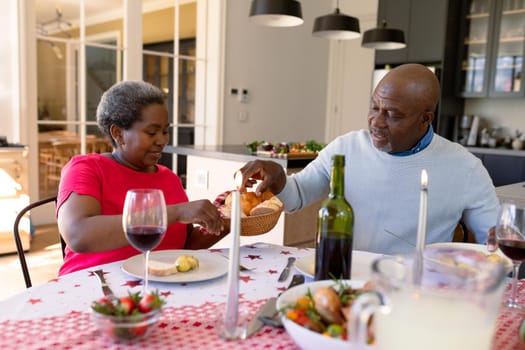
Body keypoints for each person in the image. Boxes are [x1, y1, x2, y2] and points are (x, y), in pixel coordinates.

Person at [239, 64, 500, 255]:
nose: (376, 121)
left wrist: (494, 247)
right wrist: (278, 178)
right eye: (375, 107)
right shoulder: (346, 148)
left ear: (425, 119)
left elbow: (495, 241)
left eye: (392, 115)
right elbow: (296, 197)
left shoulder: (465, 167)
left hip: (414, 291)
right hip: (343, 278)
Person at [57, 80, 227, 275]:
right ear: (118, 134)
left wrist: (229, 221)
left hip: (155, 288)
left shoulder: (169, 179)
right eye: (152, 132)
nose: (162, 141)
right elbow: (79, 235)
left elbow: (184, 245)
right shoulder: (86, 169)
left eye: (165, 131)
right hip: (94, 286)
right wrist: (176, 212)